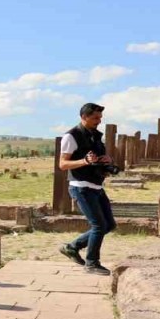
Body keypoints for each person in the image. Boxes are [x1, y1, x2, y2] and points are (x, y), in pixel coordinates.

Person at [58, 102, 117, 276]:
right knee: (99, 225)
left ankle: (72, 247)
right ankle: (91, 263)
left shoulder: (96, 136)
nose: (99, 121)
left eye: (100, 118)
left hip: (97, 186)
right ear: (84, 117)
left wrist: (106, 160)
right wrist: (84, 161)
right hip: (81, 187)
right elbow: (62, 164)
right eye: (95, 118)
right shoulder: (71, 136)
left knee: (109, 225)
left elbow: (96, 159)